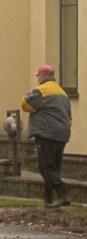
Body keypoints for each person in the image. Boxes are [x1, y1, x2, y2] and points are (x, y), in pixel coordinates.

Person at [23, 64, 73, 208]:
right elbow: (69, 116)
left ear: (42, 77)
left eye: (38, 76)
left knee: (45, 166)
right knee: (53, 166)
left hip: (47, 133)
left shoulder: (42, 90)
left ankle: (62, 193)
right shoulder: (62, 92)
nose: (37, 79)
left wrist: (36, 109)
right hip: (62, 133)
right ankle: (48, 200)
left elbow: (25, 104)